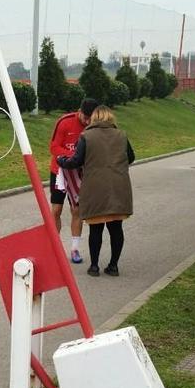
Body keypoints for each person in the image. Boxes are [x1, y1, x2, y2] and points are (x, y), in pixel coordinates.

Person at [57, 105, 134, 277]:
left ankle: (94, 266)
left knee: (96, 228)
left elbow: (76, 161)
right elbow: (132, 157)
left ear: (94, 118)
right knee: (116, 228)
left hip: (94, 187)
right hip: (119, 187)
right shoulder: (122, 135)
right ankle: (113, 266)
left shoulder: (86, 136)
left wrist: (61, 160)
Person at [49, 97, 99, 264]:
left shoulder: (94, 127)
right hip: (60, 172)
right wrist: (74, 157)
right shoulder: (64, 122)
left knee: (77, 211)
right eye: (84, 117)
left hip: (80, 174)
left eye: (89, 119)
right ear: (79, 111)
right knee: (56, 210)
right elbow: (54, 147)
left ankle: (75, 249)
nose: (86, 121)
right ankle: (54, 249)